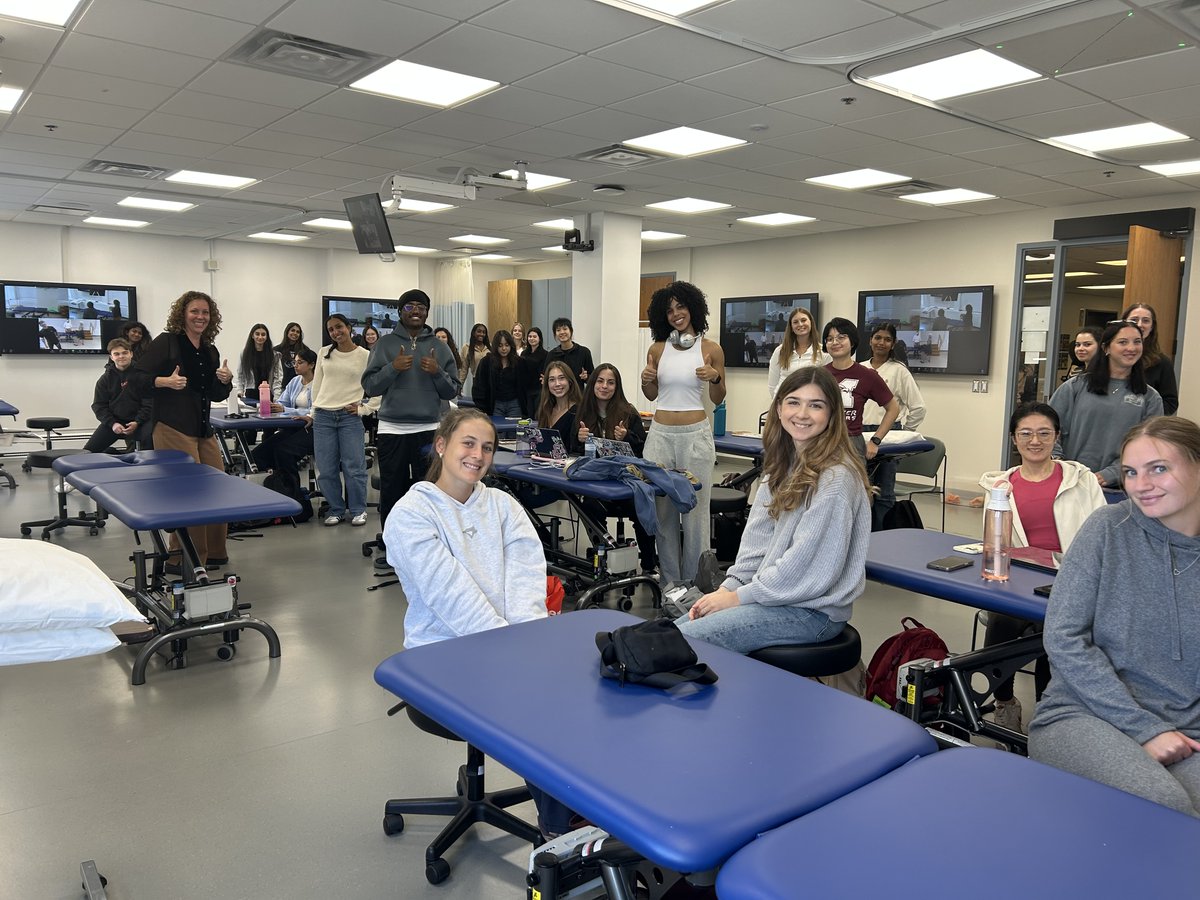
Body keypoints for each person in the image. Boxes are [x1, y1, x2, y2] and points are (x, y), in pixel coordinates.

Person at [384, 407, 567, 834]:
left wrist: (526, 643)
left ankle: (587, 817)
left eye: (487, 447)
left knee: (582, 693)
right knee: (538, 709)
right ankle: (560, 836)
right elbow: (450, 596)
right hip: (440, 657)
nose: (478, 454)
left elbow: (526, 579)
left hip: (512, 646)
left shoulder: (502, 505)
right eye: (468, 443)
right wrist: (514, 655)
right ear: (442, 445)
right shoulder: (412, 514)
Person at [1028, 416, 1200, 818]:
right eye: (1130, 472)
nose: (1141, 485)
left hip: (1185, 726)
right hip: (1083, 714)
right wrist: (1144, 727)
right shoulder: (1109, 528)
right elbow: (1065, 638)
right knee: (1164, 806)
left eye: (1159, 468)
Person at [676, 367, 871, 653]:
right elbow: (755, 545)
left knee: (679, 642)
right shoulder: (781, 465)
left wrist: (737, 598)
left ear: (832, 415)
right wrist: (728, 589)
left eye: (816, 405)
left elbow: (803, 569)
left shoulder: (836, 478)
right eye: (794, 402)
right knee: (672, 630)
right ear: (778, 409)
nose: (802, 413)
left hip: (810, 612)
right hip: (773, 597)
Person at [976, 402, 1106, 733]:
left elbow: (1103, 534)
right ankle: (1005, 702)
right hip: (1018, 577)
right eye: (1026, 433)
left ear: (1056, 437)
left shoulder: (1081, 480)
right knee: (1002, 621)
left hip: (1072, 577)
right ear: (1014, 439)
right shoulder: (1000, 487)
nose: (1036, 441)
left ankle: (1049, 716)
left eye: (1044, 433)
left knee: (1055, 631)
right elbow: (993, 542)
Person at [133, 290, 234, 570]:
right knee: (188, 494)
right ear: (182, 314)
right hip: (172, 426)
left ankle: (215, 551)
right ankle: (184, 558)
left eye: (205, 312)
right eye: (194, 312)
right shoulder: (167, 342)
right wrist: (163, 382)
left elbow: (214, 394)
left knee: (217, 488)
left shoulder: (209, 349)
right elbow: (136, 378)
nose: (200, 317)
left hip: (203, 428)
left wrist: (226, 380)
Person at [640, 281, 725, 585]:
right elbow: (650, 394)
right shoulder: (657, 348)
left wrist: (715, 377)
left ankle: (694, 588)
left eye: (681, 306)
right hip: (660, 434)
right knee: (663, 514)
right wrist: (646, 378)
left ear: (693, 308)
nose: (676, 314)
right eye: (670, 309)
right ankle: (670, 586)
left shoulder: (710, 348)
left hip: (695, 436)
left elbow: (718, 398)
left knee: (695, 517)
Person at [361, 289, 459, 529]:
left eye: (421, 307)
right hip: (391, 428)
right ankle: (392, 544)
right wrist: (392, 368)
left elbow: (451, 391)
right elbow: (370, 386)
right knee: (392, 490)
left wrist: (437, 372)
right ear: (399, 311)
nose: (415, 311)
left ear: (426, 312)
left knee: (430, 490)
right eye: (409, 306)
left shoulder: (439, 346)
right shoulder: (384, 345)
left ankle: (429, 540)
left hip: (429, 429)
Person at [1049, 319, 1164, 488]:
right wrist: (1059, 465)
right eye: (1123, 342)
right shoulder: (1076, 386)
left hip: (1119, 489)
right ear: (1106, 348)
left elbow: (1151, 446)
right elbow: (1048, 427)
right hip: (1070, 482)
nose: (1131, 348)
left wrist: (1111, 474)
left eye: (1137, 342)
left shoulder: (1150, 397)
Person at [576, 363, 655, 572]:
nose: (604, 386)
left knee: (643, 506)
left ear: (616, 386)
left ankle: (649, 566)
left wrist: (626, 437)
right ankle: (605, 559)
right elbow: (569, 451)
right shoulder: (582, 411)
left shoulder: (628, 412)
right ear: (592, 384)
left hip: (625, 484)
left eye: (610, 382)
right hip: (595, 486)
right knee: (588, 506)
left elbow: (643, 450)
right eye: (600, 381)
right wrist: (579, 439)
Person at [310, 313, 371, 527]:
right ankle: (335, 509)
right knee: (326, 469)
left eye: (339, 327)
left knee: (354, 467)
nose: (336, 332)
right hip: (324, 417)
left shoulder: (364, 355)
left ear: (349, 327)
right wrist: (313, 412)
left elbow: (379, 387)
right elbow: (317, 385)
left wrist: (365, 409)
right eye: (331, 330)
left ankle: (358, 509)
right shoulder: (324, 353)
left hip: (349, 416)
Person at [862, 322, 925, 529]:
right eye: (878, 338)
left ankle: (883, 538)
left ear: (893, 344)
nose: (881, 342)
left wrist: (903, 435)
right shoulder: (860, 368)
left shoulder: (899, 371)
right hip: (858, 434)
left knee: (884, 492)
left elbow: (918, 408)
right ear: (870, 340)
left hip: (887, 438)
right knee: (860, 491)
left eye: (887, 339)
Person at [252, 347, 317, 515]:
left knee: (284, 452)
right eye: (294, 362)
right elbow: (283, 402)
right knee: (261, 452)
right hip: (294, 427)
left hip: (314, 428)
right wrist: (277, 407)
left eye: (300, 362)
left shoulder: (319, 383)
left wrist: (289, 410)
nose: (295, 365)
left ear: (312, 365)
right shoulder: (295, 381)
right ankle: (278, 487)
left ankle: (294, 497)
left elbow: (315, 410)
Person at [85, 338, 154, 452]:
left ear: (131, 354)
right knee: (88, 452)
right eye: (116, 354)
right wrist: (113, 424)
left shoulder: (144, 375)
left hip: (142, 422)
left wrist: (137, 422)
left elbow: (149, 403)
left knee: (147, 455)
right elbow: (98, 405)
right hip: (115, 422)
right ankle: (113, 453)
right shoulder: (105, 379)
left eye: (124, 353)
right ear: (112, 357)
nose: (121, 356)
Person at [1122, 303, 1178, 415]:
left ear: (1152, 327)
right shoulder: (1109, 356)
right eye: (1134, 319)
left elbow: (1170, 403)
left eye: (1146, 321)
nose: (1139, 324)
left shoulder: (1162, 362)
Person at [766, 308, 830, 399]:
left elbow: (827, 384)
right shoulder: (780, 351)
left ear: (811, 323)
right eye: (795, 322)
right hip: (783, 405)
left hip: (810, 405)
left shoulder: (823, 352)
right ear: (791, 327)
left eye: (803, 320)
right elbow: (772, 385)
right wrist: (779, 404)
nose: (800, 324)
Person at [471, 330, 527, 417]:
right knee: (495, 429)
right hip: (495, 404)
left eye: (507, 345)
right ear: (495, 346)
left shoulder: (519, 362)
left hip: (514, 403)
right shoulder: (486, 362)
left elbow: (525, 386)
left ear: (511, 346)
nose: (504, 349)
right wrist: (482, 408)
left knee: (514, 429)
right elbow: (479, 386)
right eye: (500, 345)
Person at [233, 323, 283, 400]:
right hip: (250, 394)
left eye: (263, 334)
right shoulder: (245, 354)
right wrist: (240, 391)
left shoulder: (274, 355)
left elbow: (278, 378)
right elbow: (241, 375)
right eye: (257, 334)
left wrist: (277, 397)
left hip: (268, 394)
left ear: (266, 337)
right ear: (252, 336)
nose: (260, 337)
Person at [535, 360, 581, 438]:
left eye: (561, 378)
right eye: (552, 380)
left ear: (570, 381)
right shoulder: (546, 409)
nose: (557, 384)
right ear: (547, 384)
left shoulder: (579, 412)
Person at [545, 317, 594, 388]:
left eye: (565, 329)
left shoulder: (584, 352)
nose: (562, 332)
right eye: (558, 330)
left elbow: (593, 378)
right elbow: (547, 376)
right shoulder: (552, 354)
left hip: (577, 395)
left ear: (571, 331)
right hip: (558, 394)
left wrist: (586, 377)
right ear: (555, 334)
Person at [521, 326, 548, 414]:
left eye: (534, 336)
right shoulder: (524, 353)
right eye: (530, 336)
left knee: (538, 414)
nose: (532, 338)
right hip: (526, 389)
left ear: (539, 339)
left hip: (539, 389)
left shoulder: (545, 354)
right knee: (528, 414)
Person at [462, 323, 490, 398]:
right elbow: (463, 369)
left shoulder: (490, 347)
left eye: (484, 332)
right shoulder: (467, 347)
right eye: (479, 331)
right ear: (474, 333)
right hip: (477, 381)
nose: (481, 334)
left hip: (490, 381)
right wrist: (459, 386)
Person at [275, 322, 307, 386]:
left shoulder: (305, 350)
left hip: (299, 385)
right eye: (292, 330)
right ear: (287, 332)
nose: (295, 333)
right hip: (281, 386)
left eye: (298, 332)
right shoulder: (277, 350)